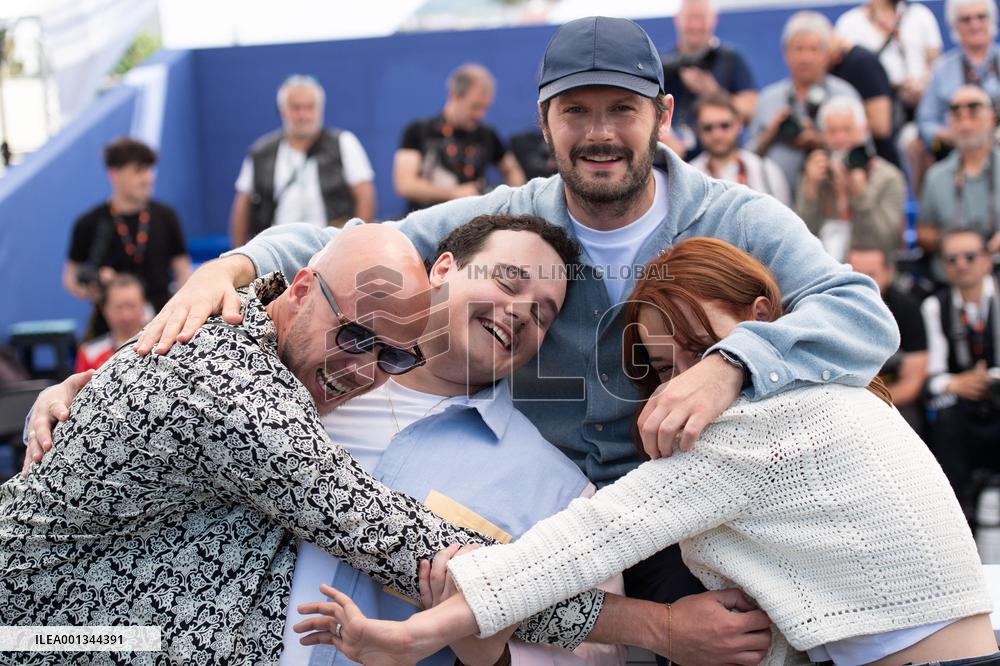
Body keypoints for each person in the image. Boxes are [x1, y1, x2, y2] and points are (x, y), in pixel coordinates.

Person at [31, 15, 898, 660]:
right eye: (576, 111)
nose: (599, 132)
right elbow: (348, 250)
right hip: (560, 531)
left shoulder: (734, 216)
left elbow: (860, 312)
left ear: (663, 115)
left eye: (621, 110)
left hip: (691, 512)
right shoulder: (504, 218)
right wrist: (215, 281)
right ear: (545, 119)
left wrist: (727, 368)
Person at [304, 238, 997, 666]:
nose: (689, 378)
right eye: (667, 367)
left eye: (702, 347)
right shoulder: (832, 395)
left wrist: (417, 635)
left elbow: (589, 540)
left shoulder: (760, 422)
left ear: (760, 320)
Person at [4, 225, 606, 662]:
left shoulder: (554, 484)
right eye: (354, 335)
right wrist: (661, 629)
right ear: (298, 292)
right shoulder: (242, 390)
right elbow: (402, 541)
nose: (364, 369)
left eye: (392, 354)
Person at [285, 215, 630, 666]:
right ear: (444, 269)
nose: (523, 313)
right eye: (508, 283)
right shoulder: (306, 384)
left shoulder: (563, 495)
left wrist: (491, 656)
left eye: (542, 314)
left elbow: (600, 658)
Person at [229, 75, 376, 248]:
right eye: (296, 108)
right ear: (282, 110)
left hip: (331, 246)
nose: (303, 115)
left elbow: (365, 195)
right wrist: (239, 253)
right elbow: (242, 206)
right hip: (277, 248)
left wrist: (356, 244)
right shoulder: (260, 151)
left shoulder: (343, 142)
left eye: (310, 107)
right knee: (272, 276)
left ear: (320, 109)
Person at [63, 137, 191, 336]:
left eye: (149, 170)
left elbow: (182, 268)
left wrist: (179, 309)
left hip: (161, 323)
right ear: (114, 175)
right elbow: (71, 277)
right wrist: (92, 290)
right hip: (108, 329)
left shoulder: (165, 216)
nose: (148, 178)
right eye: (138, 171)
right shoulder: (90, 222)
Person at [921, 228, 1000, 519]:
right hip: (962, 401)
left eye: (969, 256)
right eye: (952, 259)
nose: (961, 265)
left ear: (988, 260)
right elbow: (933, 375)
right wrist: (957, 383)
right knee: (945, 418)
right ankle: (956, 516)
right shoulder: (934, 305)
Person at [746, 11, 862, 191]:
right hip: (776, 198)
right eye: (798, 49)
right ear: (786, 54)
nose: (805, 58)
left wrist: (819, 140)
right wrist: (770, 133)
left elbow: (862, 154)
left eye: (813, 49)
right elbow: (746, 158)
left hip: (833, 197)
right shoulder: (769, 99)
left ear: (826, 55)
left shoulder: (844, 94)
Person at [393, 64, 525, 213]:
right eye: (474, 107)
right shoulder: (418, 130)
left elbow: (511, 169)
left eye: (485, 108)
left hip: (473, 226)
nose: (480, 115)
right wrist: (454, 193)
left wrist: (512, 203)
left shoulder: (487, 134)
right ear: (454, 95)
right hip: (426, 223)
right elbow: (404, 184)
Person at [796, 96, 905, 261]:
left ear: (864, 130)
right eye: (832, 131)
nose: (840, 139)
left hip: (869, 271)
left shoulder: (887, 177)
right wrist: (810, 191)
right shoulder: (815, 173)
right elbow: (799, 240)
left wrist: (860, 196)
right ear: (823, 136)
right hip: (822, 268)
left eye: (847, 130)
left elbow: (886, 242)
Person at [911, 0, 1000, 194]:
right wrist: (952, 135)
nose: (974, 25)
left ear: (992, 21)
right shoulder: (943, 68)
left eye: (981, 17)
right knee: (913, 144)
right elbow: (925, 120)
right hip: (955, 147)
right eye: (966, 19)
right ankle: (930, 213)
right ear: (955, 26)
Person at [848, 244, 929, 434]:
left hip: (893, 399)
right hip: (845, 400)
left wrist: (871, 404)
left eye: (872, 274)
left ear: (889, 272)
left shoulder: (908, 309)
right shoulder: (831, 309)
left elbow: (912, 384)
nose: (864, 283)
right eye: (857, 274)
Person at [658, 0, 757, 157]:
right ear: (677, 20)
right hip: (673, 160)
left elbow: (750, 110)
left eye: (701, 19)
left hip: (720, 161)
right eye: (690, 18)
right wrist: (664, 135)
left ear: (713, 20)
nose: (695, 26)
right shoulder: (661, 63)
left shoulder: (730, 59)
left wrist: (711, 92)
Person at [919, 85, 1000, 270]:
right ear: (948, 123)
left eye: (974, 111)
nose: (965, 123)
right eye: (956, 114)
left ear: (992, 118)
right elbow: (923, 232)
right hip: (952, 278)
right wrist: (954, 242)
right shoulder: (935, 176)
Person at [835, 0, 943, 120]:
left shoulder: (920, 14)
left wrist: (920, 86)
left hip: (921, 106)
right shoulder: (849, 23)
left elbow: (935, 62)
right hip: (876, 109)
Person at [689, 92, 790, 206]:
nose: (717, 135)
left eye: (725, 125)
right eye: (708, 128)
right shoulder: (689, 178)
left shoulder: (766, 170)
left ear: (739, 124)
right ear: (697, 130)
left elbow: (784, 221)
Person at [827, 32, 900, 166]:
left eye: (814, 50)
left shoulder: (862, 63)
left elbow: (881, 126)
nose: (806, 59)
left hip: (877, 158)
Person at [74, 274, 149, 373]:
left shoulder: (161, 348)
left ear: (144, 306)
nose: (126, 316)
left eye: (132, 306)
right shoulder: (90, 354)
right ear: (104, 309)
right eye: (119, 307)